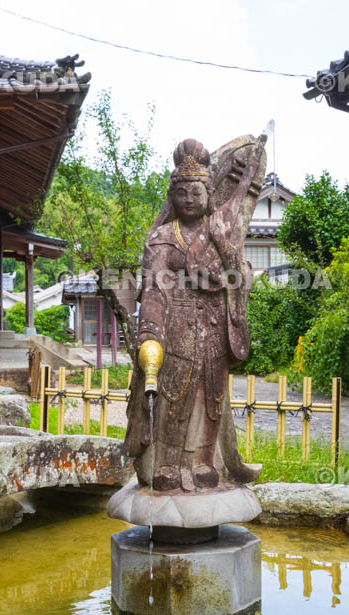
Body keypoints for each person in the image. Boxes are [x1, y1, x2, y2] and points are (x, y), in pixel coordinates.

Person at [126, 137, 264, 492]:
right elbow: (154, 290)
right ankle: (168, 462)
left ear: (208, 194)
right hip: (175, 328)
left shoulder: (219, 230)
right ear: (173, 196)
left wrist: (224, 245)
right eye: (182, 192)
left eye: (196, 192)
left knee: (211, 397)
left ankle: (204, 460)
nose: (189, 199)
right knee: (174, 395)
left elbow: (240, 276)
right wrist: (150, 333)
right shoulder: (161, 238)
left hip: (215, 326)